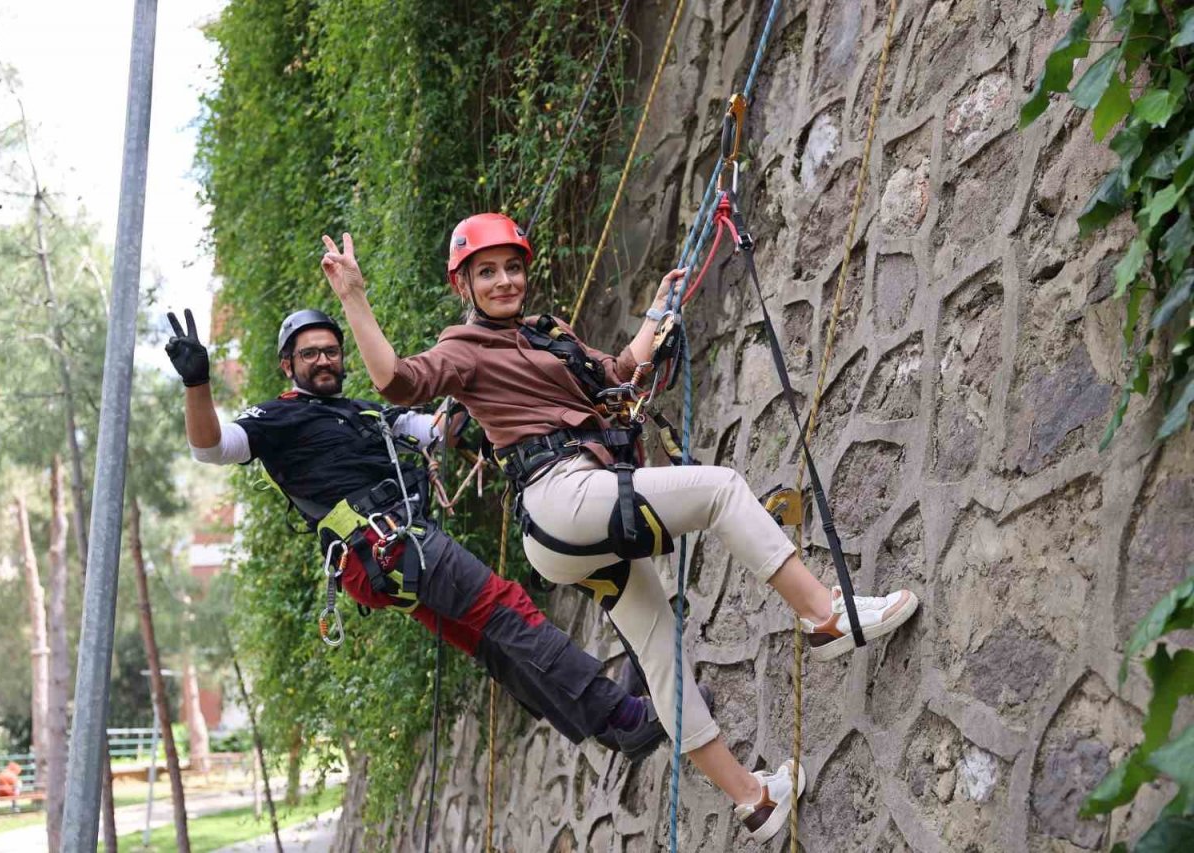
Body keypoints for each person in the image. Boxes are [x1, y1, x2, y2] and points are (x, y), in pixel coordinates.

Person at [321, 218, 920, 842]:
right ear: (463, 285)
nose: (505, 281)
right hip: (561, 496)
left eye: (512, 267)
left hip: (562, 526)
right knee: (719, 491)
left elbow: (616, 375)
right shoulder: (464, 350)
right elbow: (396, 380)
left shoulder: (545, 333)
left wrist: (654, 319)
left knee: (660, 646)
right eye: (487, 272)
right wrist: (354, 299)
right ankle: (824, 616)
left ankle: (753, 800)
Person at [164, 307, 670, 761]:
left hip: (387, 558)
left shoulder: (365, 413)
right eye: (309, 353)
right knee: (508, 608)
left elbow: (439, 429)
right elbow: (212, 447)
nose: (323, 360)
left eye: (331, 351)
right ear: (287, 365)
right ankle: (625, 717)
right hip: (388, 546)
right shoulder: (277, 417)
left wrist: (476, 372)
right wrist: (197, 385)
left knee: (489, 641)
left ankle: (610, 726)